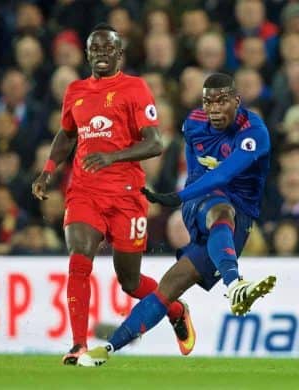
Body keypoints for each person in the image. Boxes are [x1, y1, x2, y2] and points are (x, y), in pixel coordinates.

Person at [76, 72, 276, 367]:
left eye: (222, 102)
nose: (214, 109)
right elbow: (201, 172)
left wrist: (176, 196)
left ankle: (107, 348)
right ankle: (235, 286)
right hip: (201, 202)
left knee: (170, 286)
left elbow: (224, 173)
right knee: (220, 209)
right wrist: (186, 199)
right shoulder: (194, 123)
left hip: (237, 215)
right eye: (208, 102)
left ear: (237, 101)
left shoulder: (254, 133)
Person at [31, 24, 193, 365]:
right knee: (79, 258)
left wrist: (112, 156)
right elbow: (66, 134)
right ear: (88, 53)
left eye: (109, 50)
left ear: (120, 54)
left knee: (130, 282)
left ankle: (176, 309)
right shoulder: (75, 91)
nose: (102, 55)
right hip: (84, 192)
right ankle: (77, 345)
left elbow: (154, 143)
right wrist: (48, 170)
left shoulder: (135, 89)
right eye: (96, 49)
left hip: (125, 195)